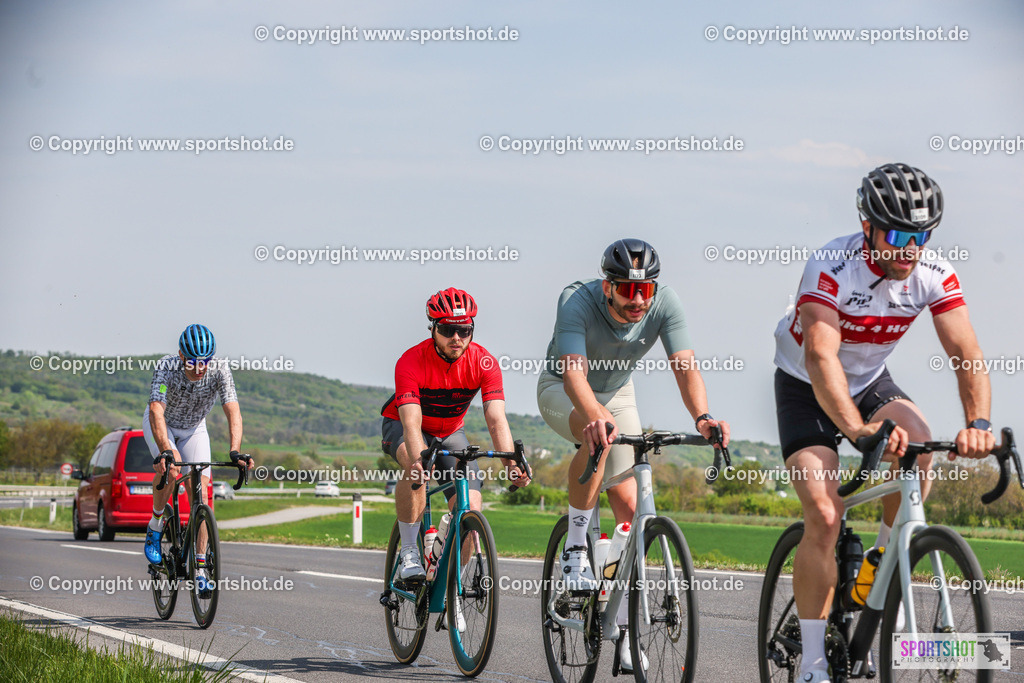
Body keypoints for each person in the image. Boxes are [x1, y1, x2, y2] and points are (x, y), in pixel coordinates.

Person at [773, 163, 995, 683]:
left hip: (870, 378)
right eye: (896, 235)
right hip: (806, 385)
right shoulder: (831, 263)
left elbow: (966, 351)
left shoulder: (933, 272)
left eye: (920, 236)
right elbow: (822, 360)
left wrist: (978, 422)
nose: (908, 249)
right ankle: (810, 662)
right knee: (825, 517)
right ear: (867, 224)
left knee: (919, 447)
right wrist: (856, 431)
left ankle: (880, 559)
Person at [537, 238, 730, 673]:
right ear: (608, 286)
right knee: (599, 438)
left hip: (619, 392)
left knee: (630, 512)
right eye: (628, 289)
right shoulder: (576, 300)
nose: (638, 300)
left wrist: (703, 416)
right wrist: (594, 417)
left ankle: (623, 632)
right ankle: (574, 550)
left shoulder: (665, 302)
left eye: (646, 290)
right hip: (564, 389)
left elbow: (685, 365)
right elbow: (572, 374)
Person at [381, 288, 531, 588]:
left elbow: (495, 417)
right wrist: (421, 459)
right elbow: (412, 423)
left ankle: (452, 583)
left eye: (464, 330)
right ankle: (410, 551)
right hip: (404, 425)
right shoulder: (410, 361)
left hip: (450, 432)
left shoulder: (484, 362)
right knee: (415, 464)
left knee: (471, 508)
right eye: (448, 330)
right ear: (433, 329)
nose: (457, 338)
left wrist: (511, 462)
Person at [143, 324, 250, 597]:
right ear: (181, 355)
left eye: (204, 361)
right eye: (193, 361)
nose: (200, 368)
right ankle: (155, 527)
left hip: (194, 428)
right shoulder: (167, 367)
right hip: (163, 424)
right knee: (173, 465)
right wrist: (165, 449)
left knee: (200, 491)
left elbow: (233, 410)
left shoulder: (219, 369)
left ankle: (200, 568)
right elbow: (156, 409)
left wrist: (235, 451)